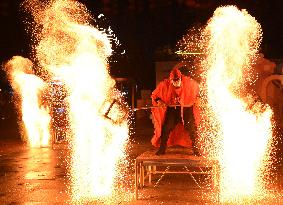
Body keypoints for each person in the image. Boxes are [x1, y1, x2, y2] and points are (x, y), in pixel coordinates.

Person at [151, 67, 200, 156]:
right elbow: (155, 95)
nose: (176, 82)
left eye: (178, 80)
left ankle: (196, 149)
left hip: (186, 108)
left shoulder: (189, 83)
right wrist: (159, 101)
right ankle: (162, 149)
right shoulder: (165, 84)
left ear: (181, 78)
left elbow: (198, 91)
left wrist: (198, 99)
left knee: (192, 128)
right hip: (173, 110)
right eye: (174, 80)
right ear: (171, 80)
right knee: (166, 128)